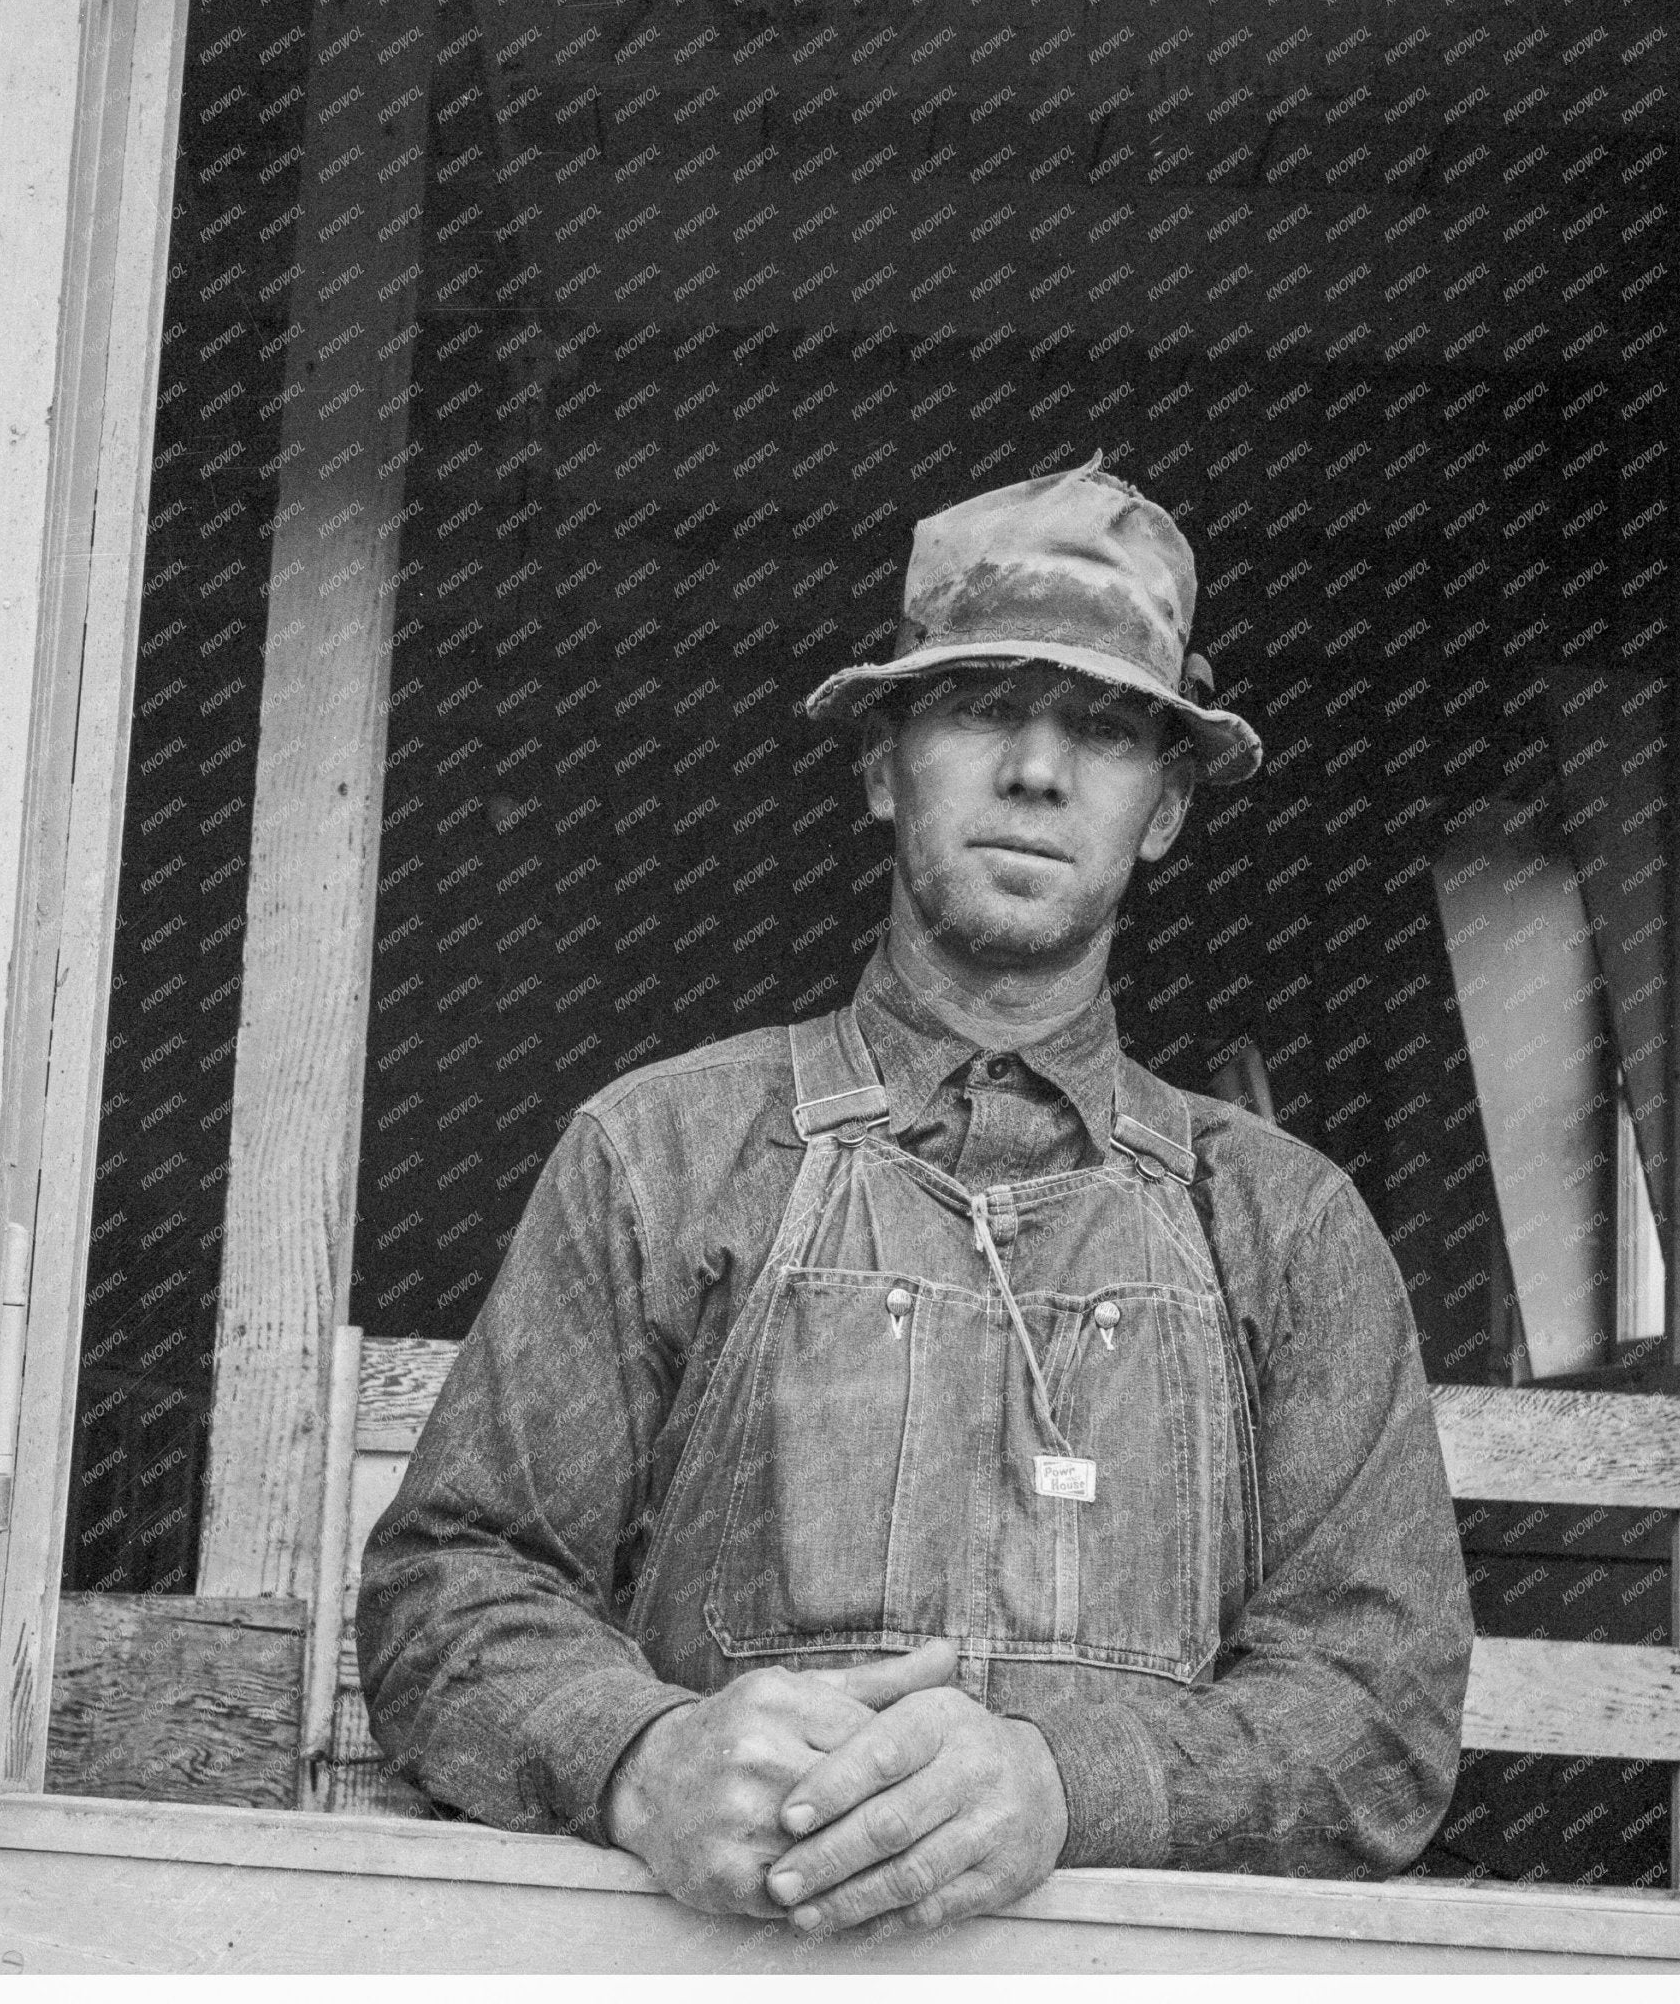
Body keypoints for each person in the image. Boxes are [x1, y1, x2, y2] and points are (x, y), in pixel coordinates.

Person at [357, 454, 1473, 1939]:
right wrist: (640, 1757)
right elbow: (453, 1588)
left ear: (1167, 808)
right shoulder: (663, 1154)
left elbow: (1377, 1716)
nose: (1034, 768)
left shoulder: (1287, 1224)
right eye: (977, 706)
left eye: (1105, 728)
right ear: (884, 763)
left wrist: (1068, 1786)